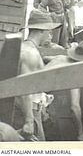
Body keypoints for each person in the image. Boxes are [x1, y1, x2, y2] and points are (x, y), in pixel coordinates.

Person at [13, 10, 61, 141]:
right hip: (28, 113)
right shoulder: (31, 54)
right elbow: (24, 89)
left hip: (22, 109)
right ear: (41, 30)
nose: (50, 36)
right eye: (49, 32)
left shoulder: (24, 48)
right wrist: (29, 121)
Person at [45, 40, 83, 141]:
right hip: (33, 100)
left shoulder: (60, 58)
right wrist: (80, 133)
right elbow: (74, 107)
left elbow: (45, 58)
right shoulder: (74, 73)